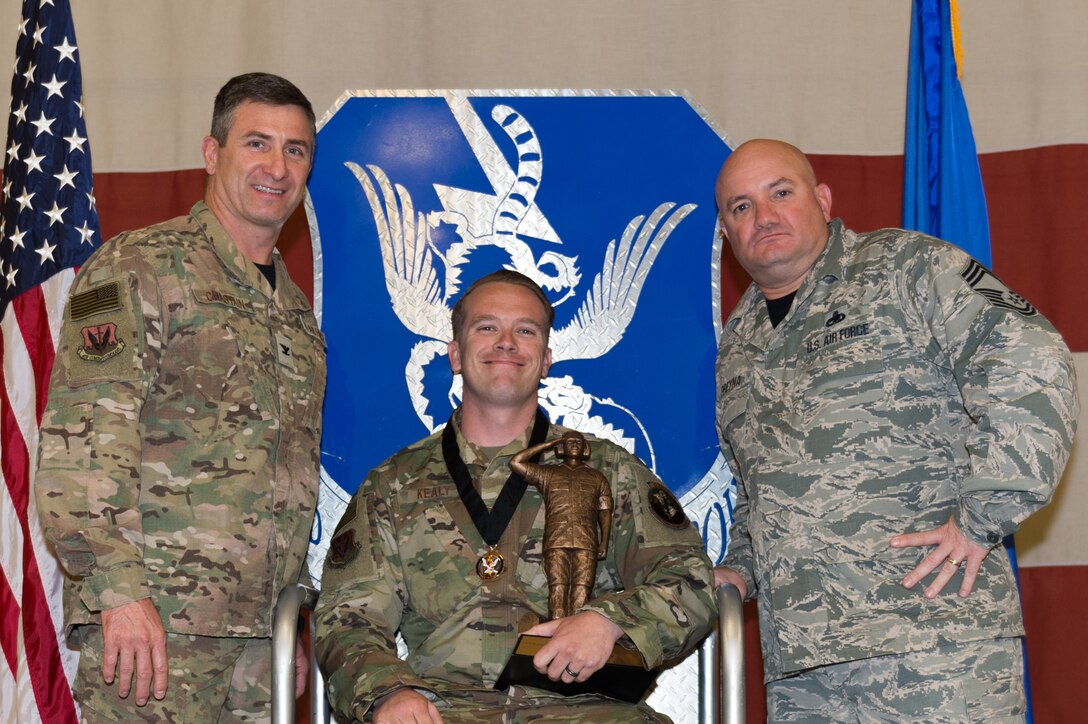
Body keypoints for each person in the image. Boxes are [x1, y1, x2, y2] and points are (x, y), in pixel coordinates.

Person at [713, 139, 1078, 721]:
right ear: (728, 234)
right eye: (741, 207)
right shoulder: (739, 341)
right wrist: (743, 566)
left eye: (781, 192)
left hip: (932, 647)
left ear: (822, 199)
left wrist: (984, 515)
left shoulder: (907, 267)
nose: (764, 216)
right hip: (803, 673)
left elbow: (1030, 357)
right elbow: (757, 484)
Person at [35, 72, 326, 721]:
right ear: (212, 152)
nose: (276, 166)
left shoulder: (295, 313)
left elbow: (284, 480)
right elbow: (81, 443)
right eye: (257, 143)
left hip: (258, 647)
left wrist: (286, 623)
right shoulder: (140, 266)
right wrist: (117, 591)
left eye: (295, 149)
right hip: (157, 630)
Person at [314, 270, 716, 723]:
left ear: (545, 359)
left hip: (587, 709)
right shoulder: (392, 485)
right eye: (487, 327)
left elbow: (690, 580)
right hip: (442, 710)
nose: (506, 342)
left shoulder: (607, 469)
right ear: (455, 354)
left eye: (524, 330)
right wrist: (388, 693)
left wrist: (611, 621)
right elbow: (349, 617)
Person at [510, 431, 613, 619]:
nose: (574, 444)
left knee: (583, 589)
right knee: (558, 588)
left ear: (585, 448)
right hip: (556, 538)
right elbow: (516, 463)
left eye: (578, 442)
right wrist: (549, 444)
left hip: (587, 540)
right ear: (561, 447)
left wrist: (604, 541)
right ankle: (555, 630)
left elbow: (605, 511)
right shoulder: (548, 473)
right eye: (569, 442)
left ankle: (575, 634)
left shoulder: (597, 478)